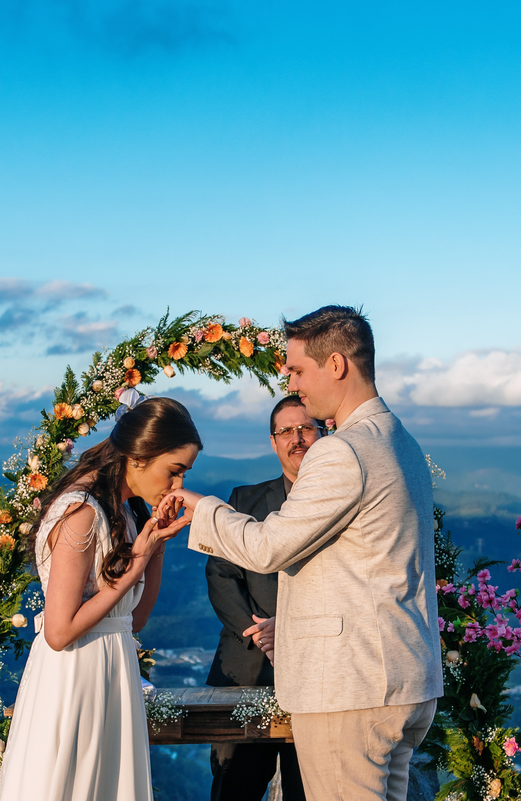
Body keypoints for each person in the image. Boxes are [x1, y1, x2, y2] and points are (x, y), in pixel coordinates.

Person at [161, 306, 442, 801]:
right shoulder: (401, 441)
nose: (291, 381)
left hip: (350, 689)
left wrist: (203, 508)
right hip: (406, 679)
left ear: (336, 364)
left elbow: (267, 547)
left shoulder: (342, 450)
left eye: (296, 370)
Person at [0, 394, 201, 801]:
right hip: (75, 677)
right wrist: (137, 559)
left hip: (114, 670)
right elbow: (58, 631)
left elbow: (133, 619)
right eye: (174, 472)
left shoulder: (126, 512)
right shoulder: (81, 512)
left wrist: (156, 544)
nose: (178, 486)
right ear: (139, 456)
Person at [203, 395, 317, 801]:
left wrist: (286, 631)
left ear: (323, 434)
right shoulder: (245, 502)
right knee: (234, 789)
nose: (297, 438)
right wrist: (259, 632)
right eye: (286, 431)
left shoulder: (343, 506)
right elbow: (220, 574)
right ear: (273, 441)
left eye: (306, 428)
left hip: (317, 677)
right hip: (247, 669)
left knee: (311, 791)